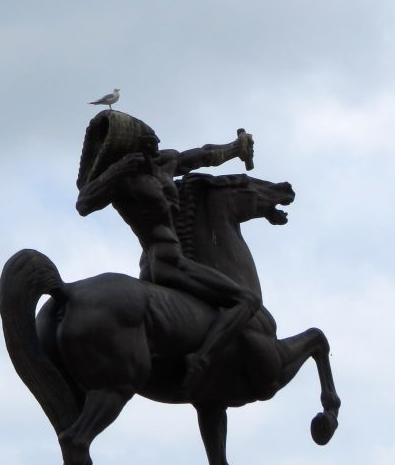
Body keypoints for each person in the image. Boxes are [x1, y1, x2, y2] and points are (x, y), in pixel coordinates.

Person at [75, 113, 258, 396]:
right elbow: (84, 203)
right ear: (133, 145)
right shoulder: (124, 180)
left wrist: (236, 148)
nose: (156, 143)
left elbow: (203, 156)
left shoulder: (164, 163)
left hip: (164, 262)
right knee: (246, 300)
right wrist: (117, 171)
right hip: (166, 262)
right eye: (149, 141)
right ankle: (202, 359)